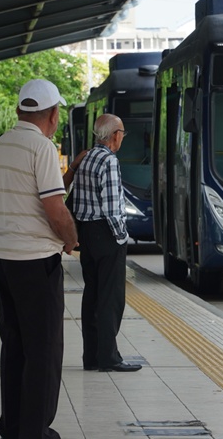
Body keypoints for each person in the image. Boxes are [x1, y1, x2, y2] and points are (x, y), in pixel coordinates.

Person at [0, 79, 78, 439]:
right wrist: (70, 239)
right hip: (35, 262)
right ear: (53, 115)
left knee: (15, 347)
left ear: (20, 110)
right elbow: (55, 209)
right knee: (44, 352)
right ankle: (35, 431)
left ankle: (13, 426)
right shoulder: (42, 148)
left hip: (2, 261)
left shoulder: (1, 144)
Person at [67, 114, 142, 372]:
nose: (122, 137)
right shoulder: (109, 161)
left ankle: (92, 356)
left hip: (87, 233)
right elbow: (111, 207)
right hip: (106, 234)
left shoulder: (87, 157)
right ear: (114, 135)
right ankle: (109, 358)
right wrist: (121, 237)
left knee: (93, 295)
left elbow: (77, 198)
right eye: (122, 132)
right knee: (111, 299)